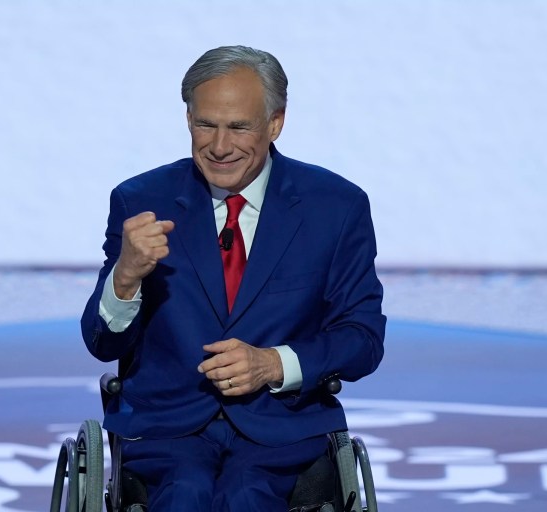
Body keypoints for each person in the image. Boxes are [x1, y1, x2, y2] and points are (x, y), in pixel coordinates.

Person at [81, 45, 386, 511]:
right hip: (167, 426)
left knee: (248, 497)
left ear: (275, 123)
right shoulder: (141, 200)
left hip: (281, 429)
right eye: (206, 124)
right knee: (185, 494)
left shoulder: (336, 207)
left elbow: (362, 340)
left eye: (239, 127)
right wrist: (125, 278)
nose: (220, 147)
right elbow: (103, 344)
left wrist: (273, 363)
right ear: (188, 118)